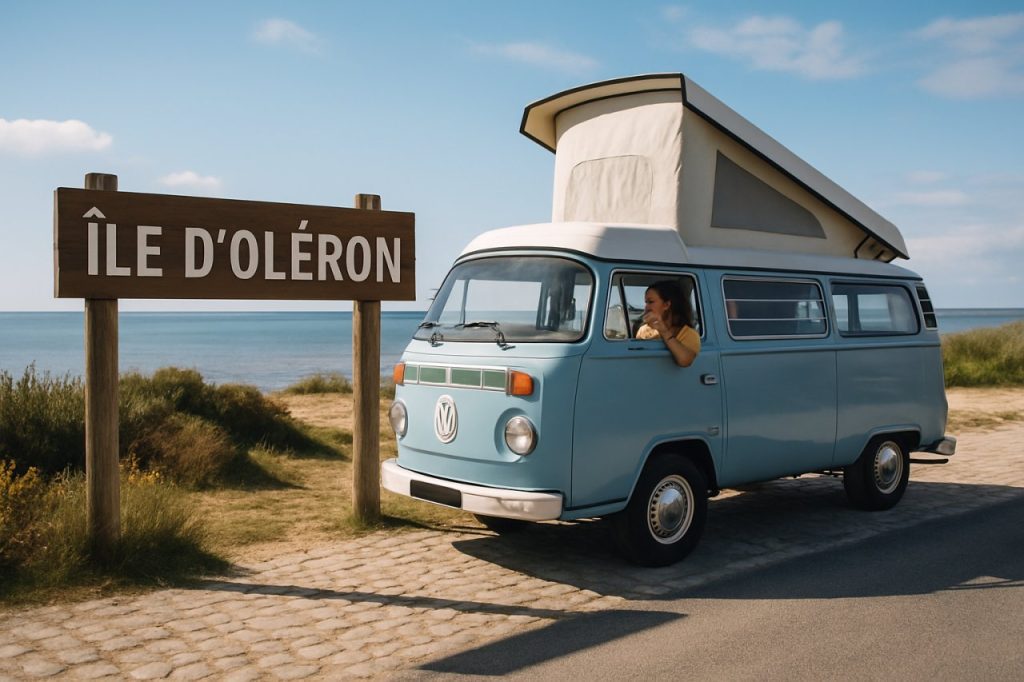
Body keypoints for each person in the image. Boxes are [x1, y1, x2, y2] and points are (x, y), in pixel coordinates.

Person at [636, 280, 701, 367]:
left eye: (651, 302)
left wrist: (664, 331)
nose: (646, 307)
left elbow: (685, 361)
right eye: (646, 303)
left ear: (666, 305)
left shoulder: (689, 334)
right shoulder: (643, 330)